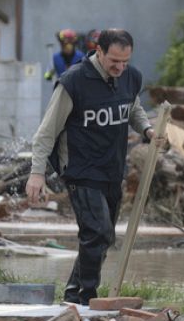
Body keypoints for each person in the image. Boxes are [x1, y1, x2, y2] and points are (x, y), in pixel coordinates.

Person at [25, 29, 162, 305]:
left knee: (103, 237)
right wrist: (36, 174)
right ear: (98, 52)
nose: (120, 68)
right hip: (80, 169)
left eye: (125, 61)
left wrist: (147, 129)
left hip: (112, 168)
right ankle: (87, 297)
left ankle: (74, 294)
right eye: (114, 61)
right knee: (97, 232)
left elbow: (132, 108)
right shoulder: (73, 82)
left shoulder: (129, 77)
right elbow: (46, 132)